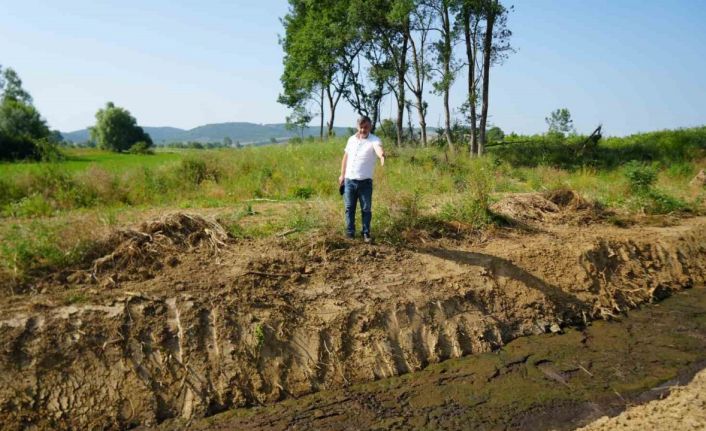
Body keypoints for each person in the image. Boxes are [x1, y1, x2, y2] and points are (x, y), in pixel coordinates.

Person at [338, 116, 385, 242]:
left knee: (366, 208)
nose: (363, 130)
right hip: (349, 180)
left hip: (365, 182)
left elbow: (378, 148)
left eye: (366, 127)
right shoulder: (351, 139)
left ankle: (366, 233)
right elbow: (345, 157)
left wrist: (381, 156)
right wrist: (342, 175)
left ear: (370, 127)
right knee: (349, 208)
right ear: (357, 127)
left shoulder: (374, 140)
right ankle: (350, 233)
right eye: (361, 127)